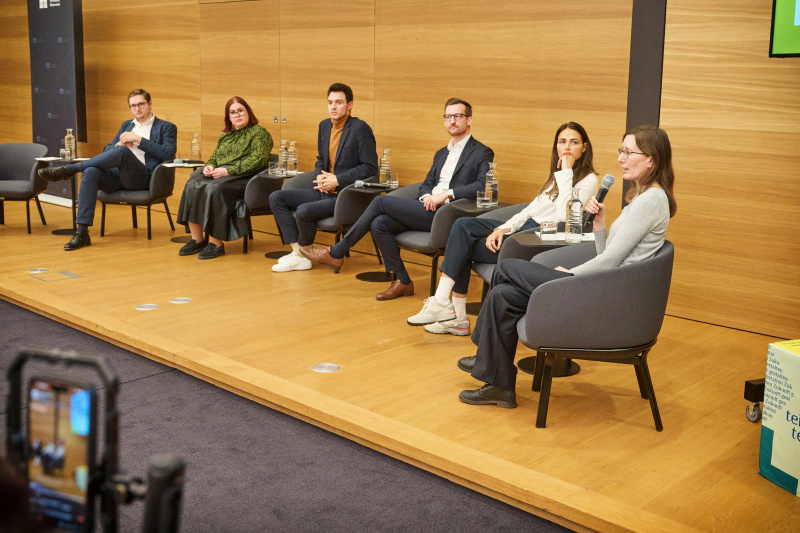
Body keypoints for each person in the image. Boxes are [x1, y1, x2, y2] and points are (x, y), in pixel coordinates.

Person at [458, 125, 677, 408]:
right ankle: (499, 386)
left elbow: (609, 262)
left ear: (651, 159)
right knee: (502, 297)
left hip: (606, 296)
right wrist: (600, 225)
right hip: (604, 285)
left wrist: (571, 275)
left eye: (628, 152)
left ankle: (481, 348)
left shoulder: (651, 200)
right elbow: (609, 253)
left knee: (506, 268)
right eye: (620, 151)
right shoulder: (643, 197)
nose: (621, 158)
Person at [408, 122, 598, 334]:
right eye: (562, 142)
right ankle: (445, 305)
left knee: (463, 246)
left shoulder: (588, 180)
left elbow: (564, 215)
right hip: (525, 225)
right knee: (462, 225)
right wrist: (503, 229)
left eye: (574, 142)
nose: (567, 148)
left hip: (540, 237)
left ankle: (455, 315)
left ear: (585, 147)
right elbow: (529, 210)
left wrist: (567, 173)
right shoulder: (555, 176)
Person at [301, 98, 494, 300]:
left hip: (448, 214)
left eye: (457, 116)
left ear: (469, 119)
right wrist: (428, 195)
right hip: (427, 208)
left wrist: (446, 194)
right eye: (448, 116)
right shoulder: (441, 153)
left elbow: (482, 185)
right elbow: (427, 183)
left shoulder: (481, 152)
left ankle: (338, 250)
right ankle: (402, 281)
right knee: (379, 223)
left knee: (380, 202)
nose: (452, 121)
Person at [38, 89, 177, 250]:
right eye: (133, 106)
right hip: (118, 177)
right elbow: (107, 151)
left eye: (141, 104)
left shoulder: (166, 127)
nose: (137, 109)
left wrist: (138, 139)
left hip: (144, 178)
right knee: (91, 172)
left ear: (150, 104)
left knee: (123, 152)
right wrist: (117, 145)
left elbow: (168, 153)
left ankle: (70, 170)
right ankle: (82, 233)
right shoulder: (127, 125)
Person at [269, 83, 378, 272]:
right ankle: (300, 254)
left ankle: (301, 255)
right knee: (276, 197)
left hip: (344, 196)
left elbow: (370, 168)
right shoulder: (324, 125)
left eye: (338, 102)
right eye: (330, 102)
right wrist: (320, 177)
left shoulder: (360, 128)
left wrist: (338, 179)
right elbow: (321, 159)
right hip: (323, 191)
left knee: (303, 211)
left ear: (349, 105)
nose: (333, 107)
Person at [176, 96, 272, 259]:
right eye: (232, 112)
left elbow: (258, 160)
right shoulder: (225, 137)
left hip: (246, 178)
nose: (237, 115)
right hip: (222, 175)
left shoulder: (259, 132)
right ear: (229, 117)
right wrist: (209, 166)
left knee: (214, 188)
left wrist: (228, 172)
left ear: (247, 111)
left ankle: (216, 243)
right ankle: (197, 239)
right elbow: (214, 158)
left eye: (240, 110)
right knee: (192, 183)